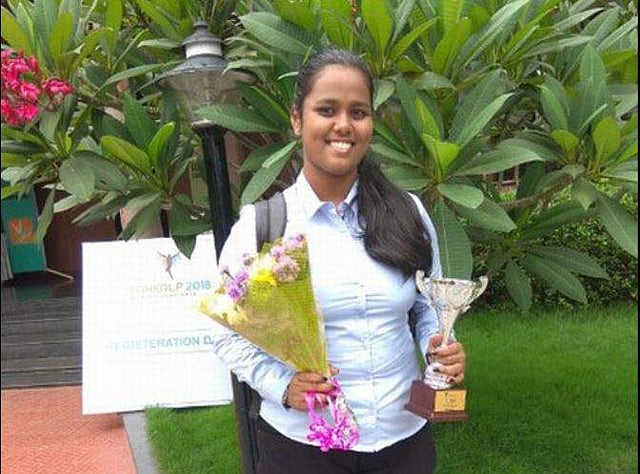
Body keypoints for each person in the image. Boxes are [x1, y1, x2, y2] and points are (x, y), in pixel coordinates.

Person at [213, 47, 466, 474]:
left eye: (358, 112)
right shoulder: (265, 226)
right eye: (327, 110)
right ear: (298, 119)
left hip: (403, 438)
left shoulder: (407, 212)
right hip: (305, 447)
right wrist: (283, 386)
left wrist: (438, 348)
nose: (344, 125)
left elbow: (429, 306)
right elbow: (226, 334)